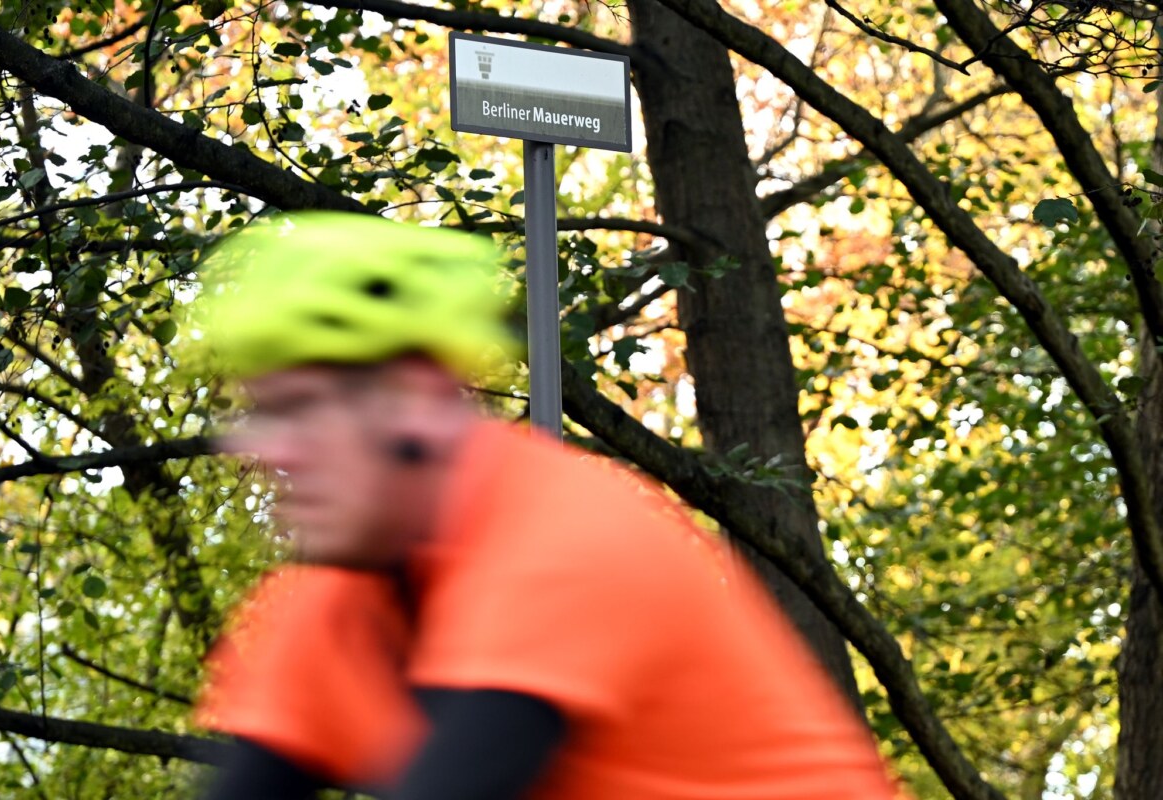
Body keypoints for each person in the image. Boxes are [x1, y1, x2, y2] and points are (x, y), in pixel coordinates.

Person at [191, 211, 902, 800]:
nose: (267, 451)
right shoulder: (327, 607)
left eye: (302, 411)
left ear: (414, 402)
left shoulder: (566, 537)